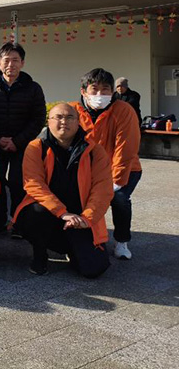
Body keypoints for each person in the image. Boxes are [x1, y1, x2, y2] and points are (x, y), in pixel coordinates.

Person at [13, 104, 113, 278]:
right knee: (36, 211)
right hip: (49, 215)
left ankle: (71, 249)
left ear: (78, 122)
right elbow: (33, 184)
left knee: (94, 269)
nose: (63, 122)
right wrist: (62, 213)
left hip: (79, 217)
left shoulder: (95, 151)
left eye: (69, 117)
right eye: (58, 117)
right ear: (49, 122)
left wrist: (87, 218)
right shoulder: (36, 147)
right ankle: (40, 254)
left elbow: (102, 190)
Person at [72, 69, 142, 260]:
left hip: (124, 168)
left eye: (105, 90)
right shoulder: (73, 110)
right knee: (79, 199)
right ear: (83, 91)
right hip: (88, 169)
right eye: (94, 89)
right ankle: (83, 239)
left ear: (113, 92)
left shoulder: (124, 110)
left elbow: (126, 147)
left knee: (119, 198)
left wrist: (116, 180)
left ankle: (121, 241)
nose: (99, 95)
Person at [0, 42, 46, 236]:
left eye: (15, 60)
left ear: (22, 63)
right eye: (6, 60)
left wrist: (17, 141)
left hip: (22, 146)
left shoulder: (33, 88)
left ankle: (18, 223)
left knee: (19, 184)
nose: (11, 64)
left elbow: (38, 118)